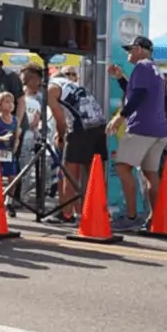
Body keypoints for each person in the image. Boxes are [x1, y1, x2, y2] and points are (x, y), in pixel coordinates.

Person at [107, 36, 167, 230]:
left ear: (139, 49)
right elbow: (137, 92)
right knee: (151, 174)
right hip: (159, 129)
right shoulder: (155, 70)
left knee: (123, 167)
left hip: (141, 127)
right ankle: (156, 218)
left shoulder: (142, 67)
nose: (128, 54)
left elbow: (138, 97)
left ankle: (131, 217)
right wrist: (120, 78)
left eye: (130, 50)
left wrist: (120, 117)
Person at [46, 67, 107, 224]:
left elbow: (60, 120)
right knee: (94, 171)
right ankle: (95, 211)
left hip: (81, 127)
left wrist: (61, 137)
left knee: (70, 172)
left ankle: (66, 214)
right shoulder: (73, 86)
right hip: (99, 124)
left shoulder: (51, 88)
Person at [0, 91, 20, 213]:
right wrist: (0, 139)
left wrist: (16, 144)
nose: (11, 104)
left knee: (12, 177)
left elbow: (16, 135)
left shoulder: (15, 120)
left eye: (12, 102)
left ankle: (8, 202)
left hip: (9, 152)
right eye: (7, 101)